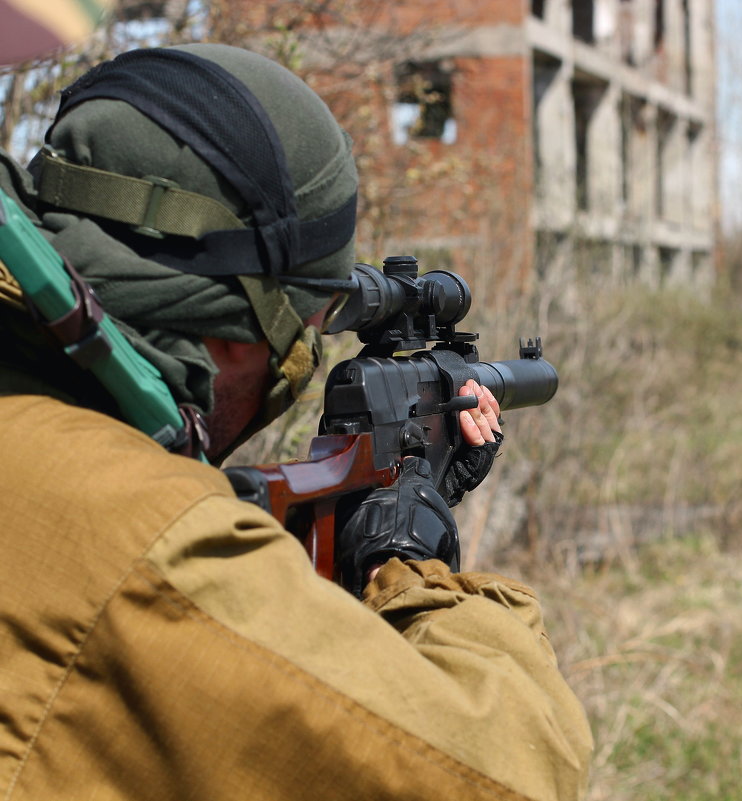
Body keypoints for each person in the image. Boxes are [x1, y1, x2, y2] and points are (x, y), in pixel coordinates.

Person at [0, 44, 592, 800]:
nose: (306, 354)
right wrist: (404, 555)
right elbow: (508, 771)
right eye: (305, 328)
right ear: (226, 328)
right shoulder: (159, 546)